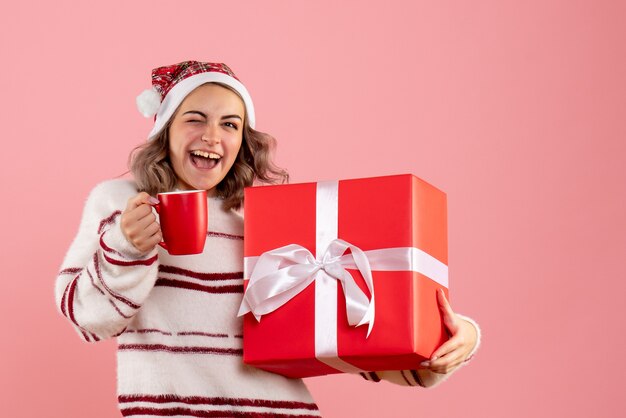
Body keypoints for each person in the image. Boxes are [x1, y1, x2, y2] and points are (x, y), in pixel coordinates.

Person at [55, 60, 481, 417]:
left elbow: (335, 336)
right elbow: (86, 317)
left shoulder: (265, 221)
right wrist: (128, 247)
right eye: (194, 118)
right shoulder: (121, 203)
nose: (211, 136)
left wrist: (447, 341)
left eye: (230, 124)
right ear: (164, 129)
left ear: (242, 141)